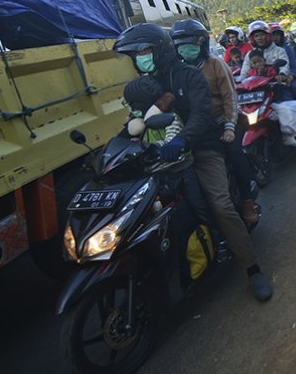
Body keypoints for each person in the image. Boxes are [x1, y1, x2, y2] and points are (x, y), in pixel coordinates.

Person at [114, 23, 272, 302]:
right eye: (135, 54)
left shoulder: (189, 76)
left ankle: (252, 268)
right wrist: (121, 143)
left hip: (202, 148)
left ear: (160, 50)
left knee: (221, 206)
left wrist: (183, 140)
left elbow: (201, 114)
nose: (140, 58)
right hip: (160, 156)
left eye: (144, 51)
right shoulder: (147, 84)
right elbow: (136, 118)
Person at [122, 76, 230, 262]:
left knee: (200, 208)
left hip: (181, 172)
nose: (131, 109)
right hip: (158, 176)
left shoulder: (170, 118)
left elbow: (172, 140)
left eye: (133, 104)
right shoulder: (140, 124)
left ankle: (220, 241)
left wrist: (152, 148)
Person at [170, 19, 260, 227]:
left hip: (223, 120)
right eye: (180, 44)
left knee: (235, 152)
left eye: (190, 43)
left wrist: (229, 127)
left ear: (201, 43)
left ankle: (247, 201)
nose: (186, 48)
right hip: (196, 126)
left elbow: (230, 96)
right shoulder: (178, 71)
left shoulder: (215, 63)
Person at [245, 49, 296, 161]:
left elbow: (281, 74)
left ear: (264, 60)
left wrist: (280, 77)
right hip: (260, 104)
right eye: (254, 63)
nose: (257, 64)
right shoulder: (250, 74)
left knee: (294, 114)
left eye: (259, 61)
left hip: (277, 99)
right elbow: (246, 83)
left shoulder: (272, 68)